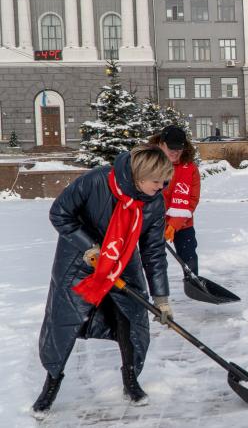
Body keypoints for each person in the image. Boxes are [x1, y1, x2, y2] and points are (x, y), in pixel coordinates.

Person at [33, 145, 174, 416]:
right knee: (65, 323)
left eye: (164, 181)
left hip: (123, 262)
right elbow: (59, 214)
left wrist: (162, 299)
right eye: (157, 181)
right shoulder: (96, 181)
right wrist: (89, 246)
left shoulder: (154, 201)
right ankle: (51, 384)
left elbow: (153, 251)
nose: (161, 186)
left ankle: (131, 380)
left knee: (130, 320)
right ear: (139, 176)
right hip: (81, 262)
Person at [149, 125, 201, 276]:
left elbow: (192, 199)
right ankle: (159, 294)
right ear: (161, 143)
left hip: (183, 222)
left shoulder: (189, 168)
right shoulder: (149, 164)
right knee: (154, 260)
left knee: (189, 256)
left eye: (179, 148)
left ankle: (194, 285)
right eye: (171, 147)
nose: (175, 152)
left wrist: (174, 224)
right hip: (152, 222)